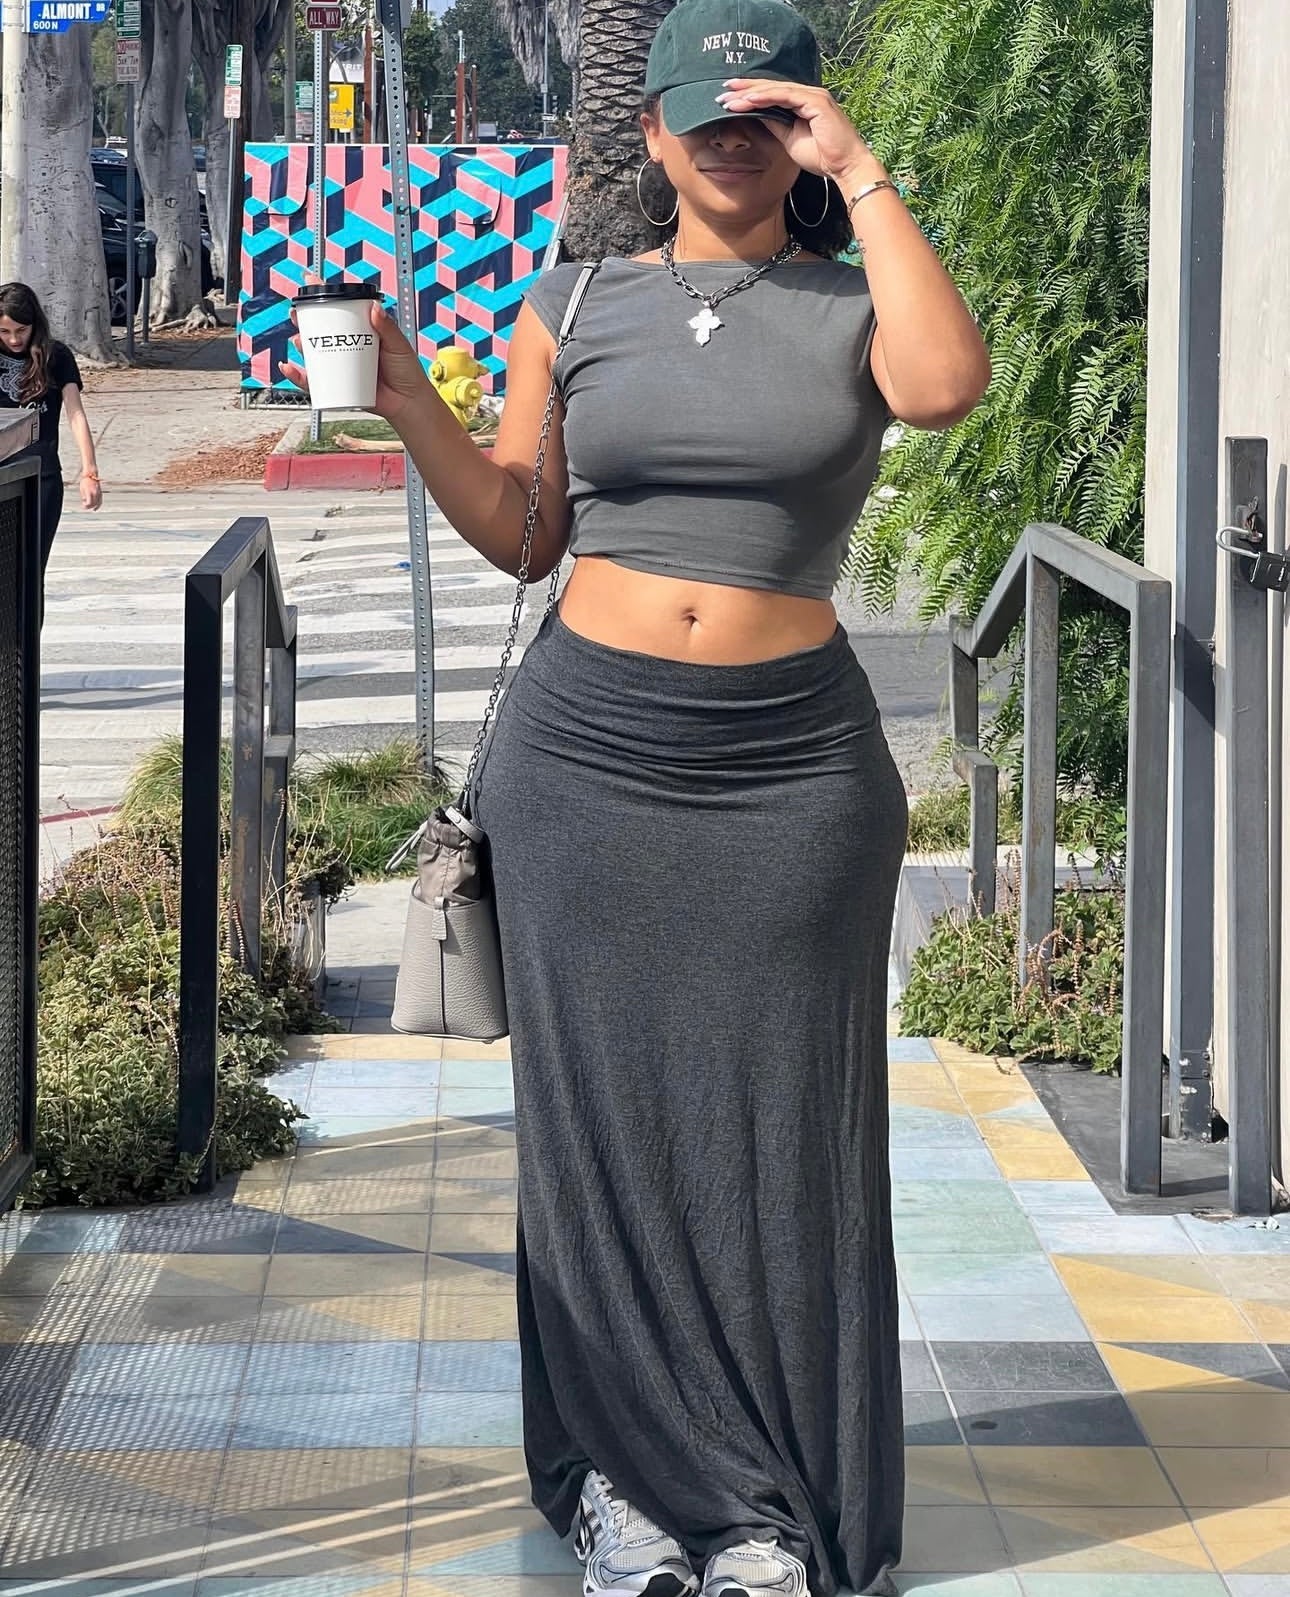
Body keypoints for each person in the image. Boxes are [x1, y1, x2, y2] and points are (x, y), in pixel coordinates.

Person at [285, 1, 989, 1590]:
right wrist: (406, 402)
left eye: (767, 114)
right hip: (586, 762)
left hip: (791, 775)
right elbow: (528, 531)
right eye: (704, 115)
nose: (732, 140)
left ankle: (766, 1506)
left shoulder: (851, 303)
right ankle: (626, 1487)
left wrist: (860, 169)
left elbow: (946, 385)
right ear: (651, 133)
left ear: (803, 129)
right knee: (596, 1138)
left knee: (779, 1135)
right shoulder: (575, 300)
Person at [0, 282, 102, 589]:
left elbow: (75, 414)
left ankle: (31, 623)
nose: (14, 339)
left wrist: (89, 473)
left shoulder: (55, 356)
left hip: (40, 477)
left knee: (30, 574)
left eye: (21, 330)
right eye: (4, 332)